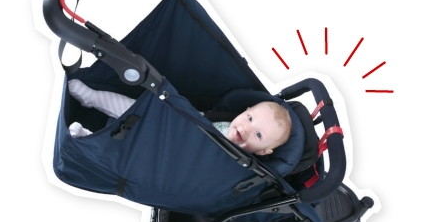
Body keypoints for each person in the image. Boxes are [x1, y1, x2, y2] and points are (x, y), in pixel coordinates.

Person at [67, 79, 291, 155]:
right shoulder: (227, 118)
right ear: (245, 110)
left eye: (259, 135)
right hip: (167, 122)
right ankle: (91, 97)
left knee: (125, 151)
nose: (246, 129)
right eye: (250, 118)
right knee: (131, 106)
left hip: (163, 150)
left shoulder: (237, 161)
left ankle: (85, 138)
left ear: (263, 151)